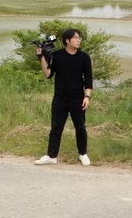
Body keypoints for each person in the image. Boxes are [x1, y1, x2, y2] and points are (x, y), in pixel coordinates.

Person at [34, 28, 93, 166]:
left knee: (80, 127)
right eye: (76, 38)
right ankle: (51, 156)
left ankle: (82, 154)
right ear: (67, 40)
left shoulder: (84, 57)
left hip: (78, 98)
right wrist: (42, 57)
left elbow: (89, 80)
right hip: (60, 98)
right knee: (56, 128)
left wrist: (87, 97)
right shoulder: (58, 55)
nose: (79, 40)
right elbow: (48, 74)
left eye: (79, 38)